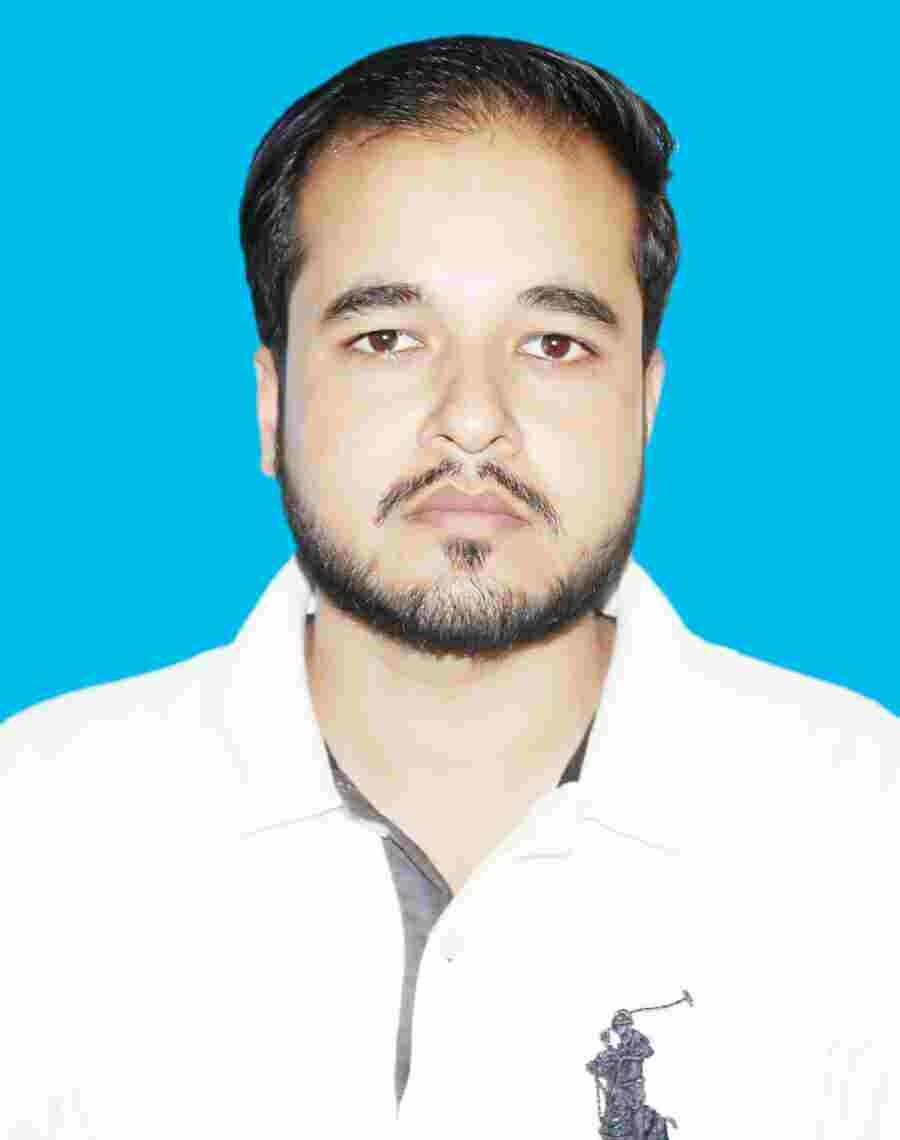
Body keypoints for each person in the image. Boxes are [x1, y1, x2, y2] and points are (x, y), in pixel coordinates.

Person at [1, 34, 896, 1140]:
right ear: (272, 404)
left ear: (646, 403)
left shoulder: (868, 833)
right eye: (386, 338)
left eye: (554, 344)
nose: (473, 420)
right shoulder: (33, 835)